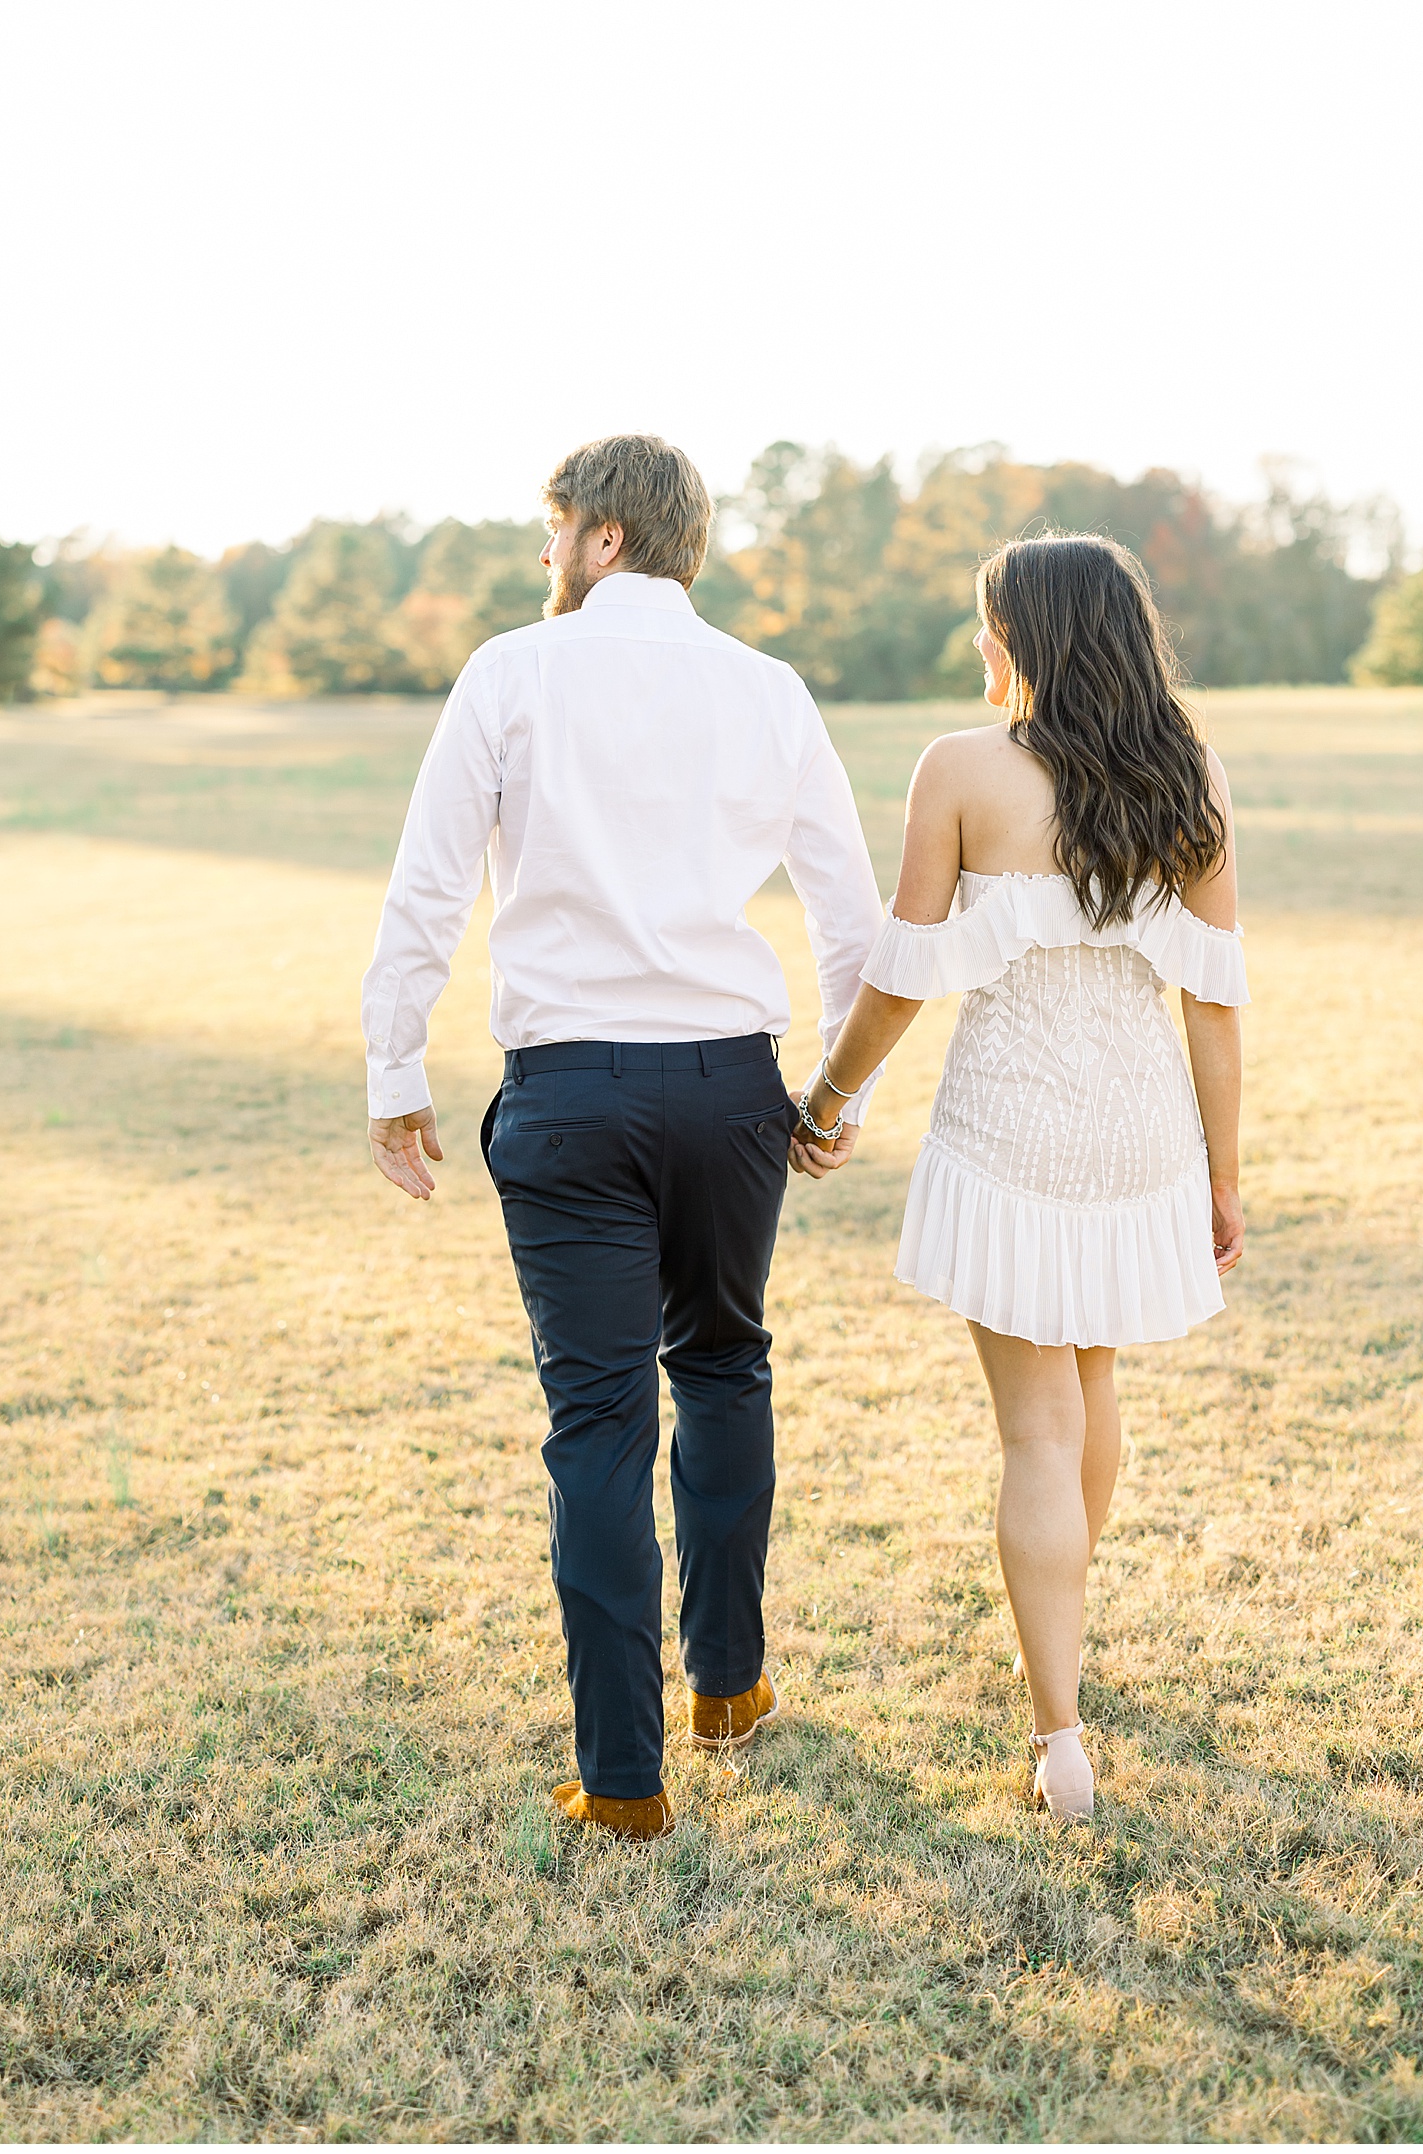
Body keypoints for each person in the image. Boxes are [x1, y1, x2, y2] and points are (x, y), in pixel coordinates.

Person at [362, 433, 883, 1841]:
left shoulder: (509, 673)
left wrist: (393, 1064)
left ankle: (626, 1777)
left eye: (552, 531)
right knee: (724, 1364)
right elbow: (853, 915)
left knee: (598, 1417)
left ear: (602, 537)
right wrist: (837, 1094)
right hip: (730, 1087)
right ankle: (728, 1686)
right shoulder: (769, 691)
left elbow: (427, 886)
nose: (542, 558)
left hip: (573, 1089)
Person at [790, 533, 1248, 1822]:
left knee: (1036, 1428)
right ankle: (1069, 1638)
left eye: (987, 626)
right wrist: (1226, 1176)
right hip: (1139, 1132)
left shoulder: (961, 769)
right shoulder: (1189, 774)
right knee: (1090, 1387)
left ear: (1026, 636)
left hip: (1010, 1128)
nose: (979, 647)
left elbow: (905, 971)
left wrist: (830, 1094)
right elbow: (1215, 1006)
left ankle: (1059, 1733)